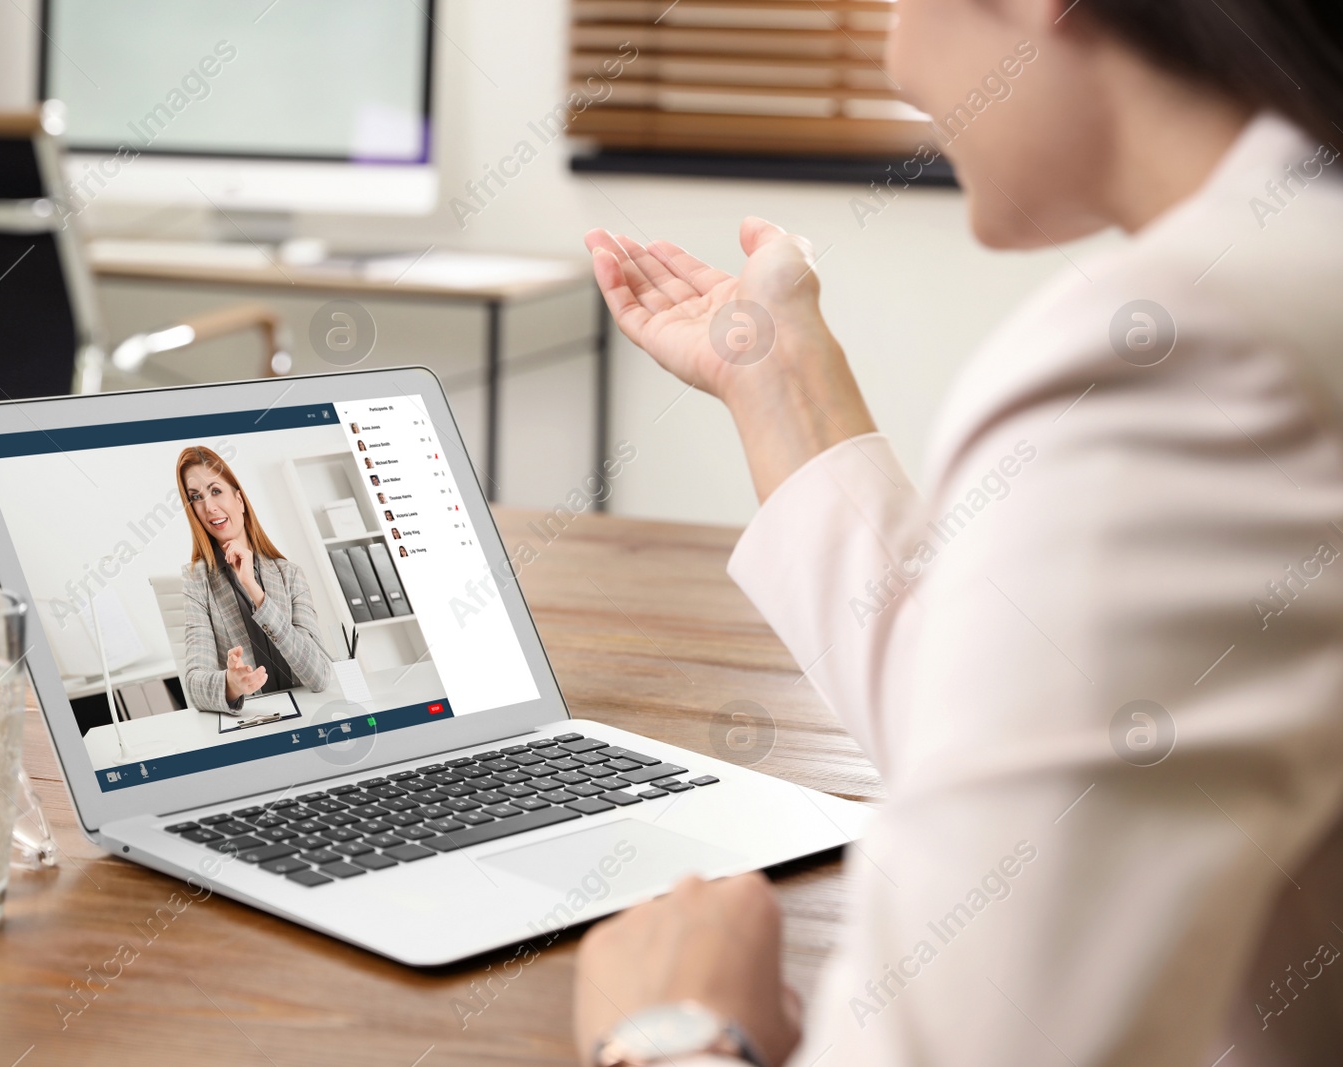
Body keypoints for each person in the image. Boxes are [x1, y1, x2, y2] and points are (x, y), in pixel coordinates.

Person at [574, 1, 1343, 1065]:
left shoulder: (1192, 355)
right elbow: (1043, 738)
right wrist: (776, 379)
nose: (894, 62)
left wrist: (666, 1031)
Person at [174, 446, 331, 713]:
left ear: (239, 500)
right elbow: (194, 683)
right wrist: (231, 683)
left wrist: (254, 590)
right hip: (252, 720)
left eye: (215, 491)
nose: (209, 506)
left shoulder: (289, 574)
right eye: (196, 498)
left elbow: (319, 676)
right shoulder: (197, 581)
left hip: (307, 715)